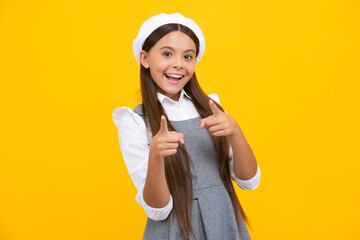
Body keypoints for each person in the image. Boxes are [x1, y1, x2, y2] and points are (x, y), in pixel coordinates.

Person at [112, 12, 261, 240]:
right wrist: (156, 155)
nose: (178, 65)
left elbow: (249, 181)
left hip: (224, 221)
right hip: (174, 230)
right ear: (145, 58)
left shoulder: (211, 107)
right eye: (167, 54)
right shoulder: (133, 122)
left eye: (188, 57)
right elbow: (158, 209)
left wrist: (235, 131)